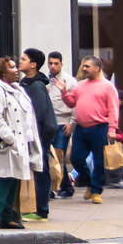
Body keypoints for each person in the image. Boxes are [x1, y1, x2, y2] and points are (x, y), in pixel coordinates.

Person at [64, 56, 123, 203]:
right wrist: (64, 92)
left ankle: (96, 191)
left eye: (87, 66)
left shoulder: (108, 86)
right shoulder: (80, 85)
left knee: (98, 160)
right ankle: (91, 183)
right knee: (75, 158)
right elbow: (71, 103)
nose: (84, 69)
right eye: (83, 66)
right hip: (80, 127)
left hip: (99, 127)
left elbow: (113, 109)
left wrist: (112, 129)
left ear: (97, 68)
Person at [0, 56, 42, 230]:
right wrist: (10, 138)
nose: (16, 70)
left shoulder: (18, 90)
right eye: (12, 67)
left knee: (15, 179)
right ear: (2, 71)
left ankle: (7, 217)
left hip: (21, 141)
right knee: (4, 179)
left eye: (16, 66)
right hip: (6, 144)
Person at [18, 48, 58, 220]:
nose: (20, 61)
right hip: (33, 134)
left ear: (33, 65)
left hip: (38, 135)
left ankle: (42, 210)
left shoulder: (36, 86)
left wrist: (32, 136)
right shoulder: (27, 83)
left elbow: (38, 114)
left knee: (41, 170)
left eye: (23, 59)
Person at [47, 52, 76, 198]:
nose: (52, 66)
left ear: (61, 64)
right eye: (50, 63)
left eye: (56, 63)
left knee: (59, 155)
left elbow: (76, 104)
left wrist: (72, 123)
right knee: (51, 157)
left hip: (63, 123)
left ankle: (65, 186)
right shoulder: (46, 80)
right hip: (49, 123)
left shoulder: (69, 81)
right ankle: (54, 186)